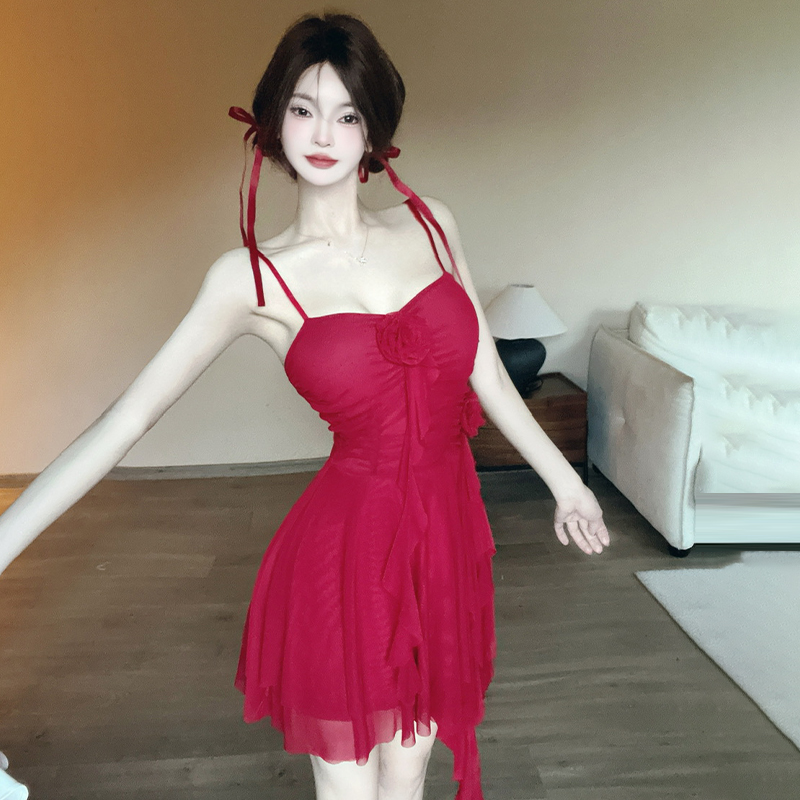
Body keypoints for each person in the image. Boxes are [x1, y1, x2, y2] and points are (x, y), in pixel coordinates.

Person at [0, 12, 609, 800]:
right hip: (344, 557)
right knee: (351, 785)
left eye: (347, 115)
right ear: (273, 121)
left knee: (409, 773)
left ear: (373, 131)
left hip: (444, 540)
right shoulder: (248, 279)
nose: (323, 133)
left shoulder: (432, 224)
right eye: (303, 108)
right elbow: (127, 419)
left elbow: (486, 374)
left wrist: (565, 483)